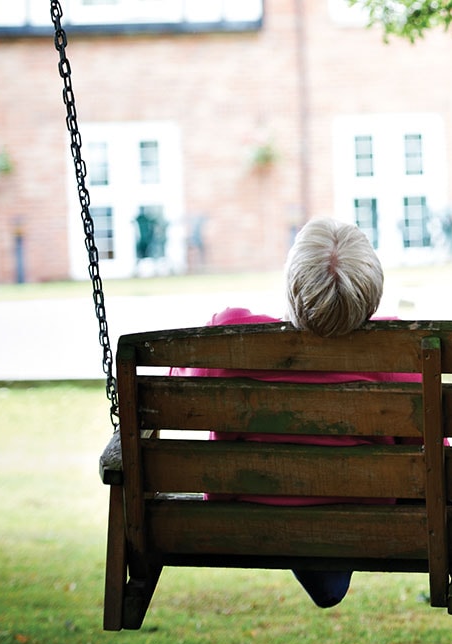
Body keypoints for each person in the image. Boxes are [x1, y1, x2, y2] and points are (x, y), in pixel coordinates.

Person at [172, 217, 417, 608]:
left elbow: (174, 389)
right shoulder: (398, 353)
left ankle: (319, 566)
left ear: (293, 283)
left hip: (253, 510)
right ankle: (324, 567)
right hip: (359, 514)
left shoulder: (230, 337)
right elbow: (433, 449)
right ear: (371, 290)